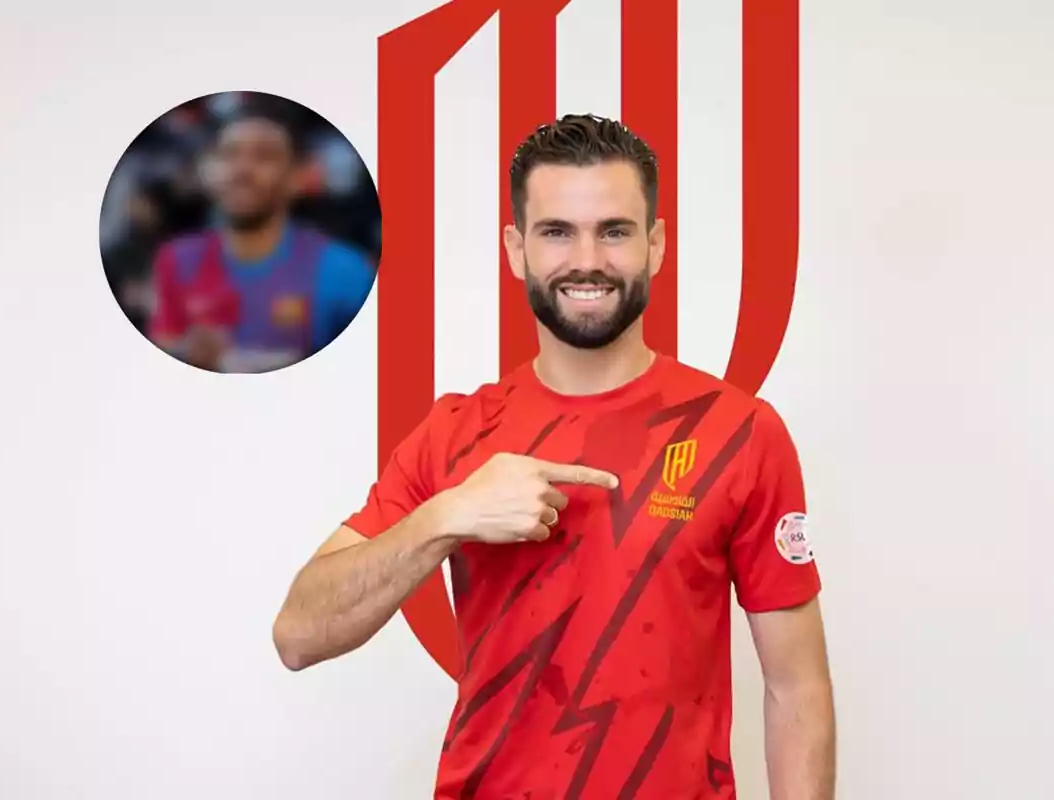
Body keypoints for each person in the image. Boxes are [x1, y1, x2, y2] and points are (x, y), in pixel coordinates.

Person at [273, 114, 835, 799]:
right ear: (517, 249)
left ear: (656, 245)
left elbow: (796, 687)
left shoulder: (740, 433)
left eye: (616, 231)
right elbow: (299, 634)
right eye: (557, 231)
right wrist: (445, 517)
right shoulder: (455, 432)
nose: (588, 259)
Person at [148, 106, 374, 372]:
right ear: (209, 172)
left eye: (264, 156)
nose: (242, 169)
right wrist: (190, 354)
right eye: (229, 155)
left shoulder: (345, 271)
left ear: (297, 178)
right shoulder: (176, 259)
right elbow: (161, 348)